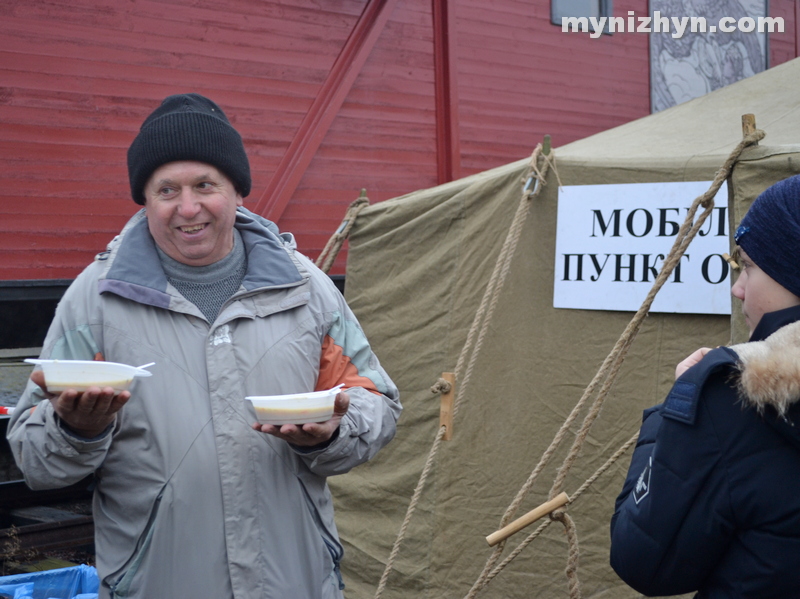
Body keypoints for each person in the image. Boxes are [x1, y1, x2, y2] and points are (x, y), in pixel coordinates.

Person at [7, 93, 402, 599]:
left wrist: (332, 432)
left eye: (204, 185)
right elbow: (35, 459)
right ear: (144, 199)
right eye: (166, 189)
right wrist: (76, 430)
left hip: (295, 580)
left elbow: (379, 402)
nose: (187, 207)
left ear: (236, 191)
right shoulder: (96, 299)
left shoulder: (307, 288)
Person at [609, 174, 800, 597]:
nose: (737, 289)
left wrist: (677, 409)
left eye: (749, 266)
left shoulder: (734, 397)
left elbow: (640, 560)